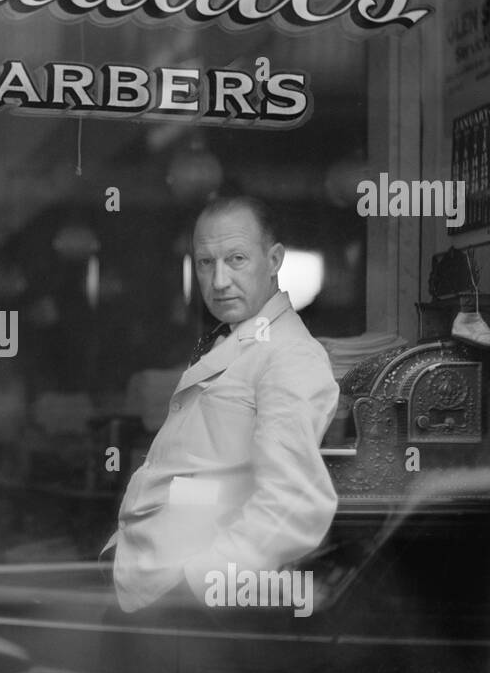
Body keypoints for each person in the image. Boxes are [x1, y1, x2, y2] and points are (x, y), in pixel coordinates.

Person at [106, 194, 340, 616]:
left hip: (180, 604)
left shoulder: (290, 355)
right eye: (205, 263)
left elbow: (295, 502)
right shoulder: (235, 336)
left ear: (274, 260)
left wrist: (202, 583)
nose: (218, 281)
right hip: (144, 582)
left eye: (236, 259)